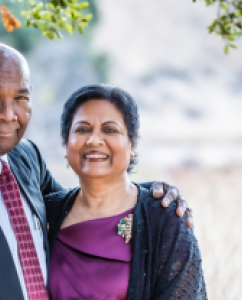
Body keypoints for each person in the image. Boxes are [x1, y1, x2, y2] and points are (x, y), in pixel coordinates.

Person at [0, 43, 192, 300]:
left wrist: (148, 196)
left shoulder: (26, 157)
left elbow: (81, 205)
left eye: (21, 98)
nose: (8, 114)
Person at [45, 84, 207, 300]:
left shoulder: (166, 219)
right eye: (82, 129)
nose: (94, 140)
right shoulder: (46, 213)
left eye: (110, 130)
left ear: (133, 144)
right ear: (66, 145)